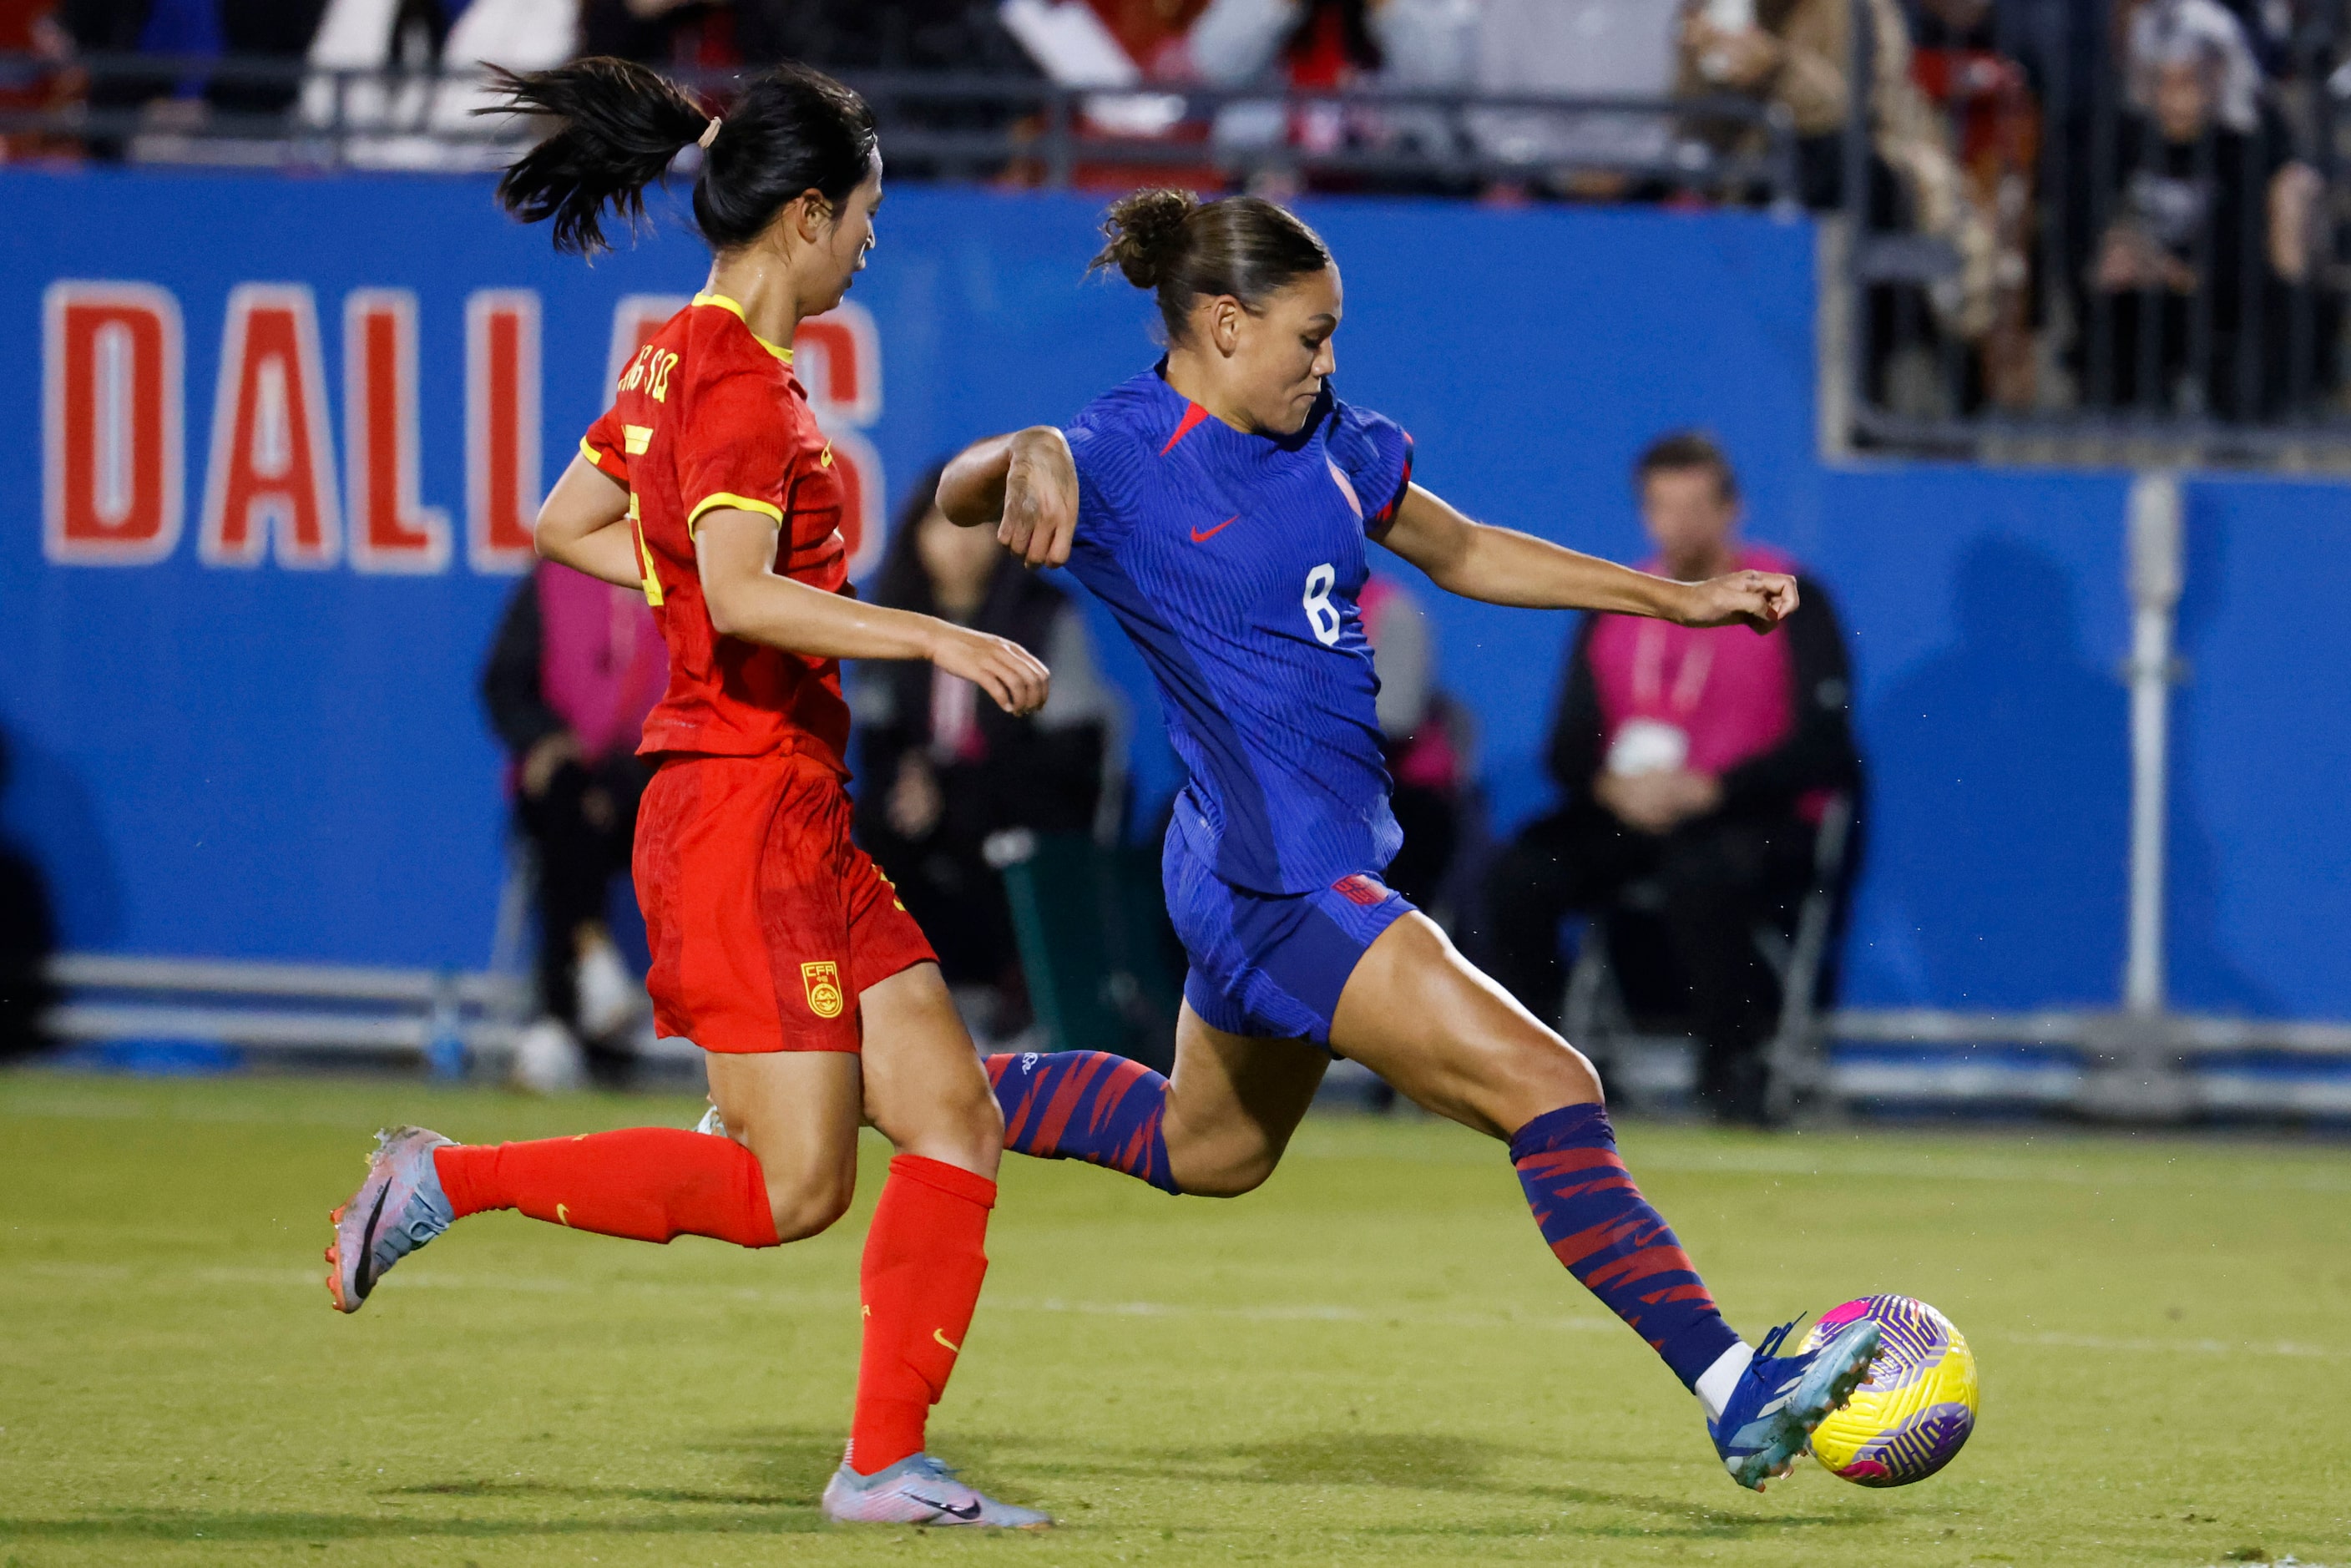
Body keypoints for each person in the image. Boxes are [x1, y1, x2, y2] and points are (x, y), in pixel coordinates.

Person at [938, 190, 1883, 1493]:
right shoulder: (1119, 449)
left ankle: (895, 1084)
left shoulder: (1327, 439)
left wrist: (1682, 600)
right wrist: (1026, 445)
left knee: (1209, 1151)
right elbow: (954, 491)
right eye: (1309, 337)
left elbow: (1469, 547)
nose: (1328, 363)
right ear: (1223, 323)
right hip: (1279, 875)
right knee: (1552, 1087)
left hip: (1253, 859)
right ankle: (1736, 1386)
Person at [321, 57, 1051, 1530]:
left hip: (790, 803)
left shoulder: (677, 357)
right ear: (802, 214)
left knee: (955, 1117)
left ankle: (881, 1464)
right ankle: (448, 1176)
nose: (868, 242)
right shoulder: (735, 387)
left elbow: (563, 521)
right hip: (738, 809)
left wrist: (692, 582)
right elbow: (736, 588)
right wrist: (934, 630)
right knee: (795, 1189)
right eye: (862, 214)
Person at [1482, 432, 1860, 1125]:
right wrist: (1611, 790)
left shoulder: (1789, 598)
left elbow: (1826, 742)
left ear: (1731, 510)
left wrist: (1712, 790)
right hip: (1630, 810)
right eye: (1663, 507)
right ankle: (1536, 1071)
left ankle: (1732, 1072)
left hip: (1748, 811)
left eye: (1696, 506)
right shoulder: (1617, 600)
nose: (1679, 525)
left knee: (1703, 875)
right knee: (1521, 873)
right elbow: (1568, 748)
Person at [852, 463, 1120, 1040]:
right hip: (921, 823)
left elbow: (1074, 756)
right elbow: (878, 739)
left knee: (989, 816)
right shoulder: (892, 617)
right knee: (874, 822)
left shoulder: (1043, 615)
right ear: (915, 536)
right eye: (943, 527)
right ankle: (893, 997)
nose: (959, 546)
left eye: (976, 527)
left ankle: (1018, 989)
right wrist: (912, 781)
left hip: (1018, 810)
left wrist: (950, 784)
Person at [480, 560, 665, 1086]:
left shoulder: (687, 581)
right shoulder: (555, 579)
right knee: (565, 802)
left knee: (583, 808)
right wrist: (546, 739)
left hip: (648, 784)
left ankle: (560, 1019)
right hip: (561, 776)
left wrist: (620, 777)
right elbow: (504, 684)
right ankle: (590, 965)